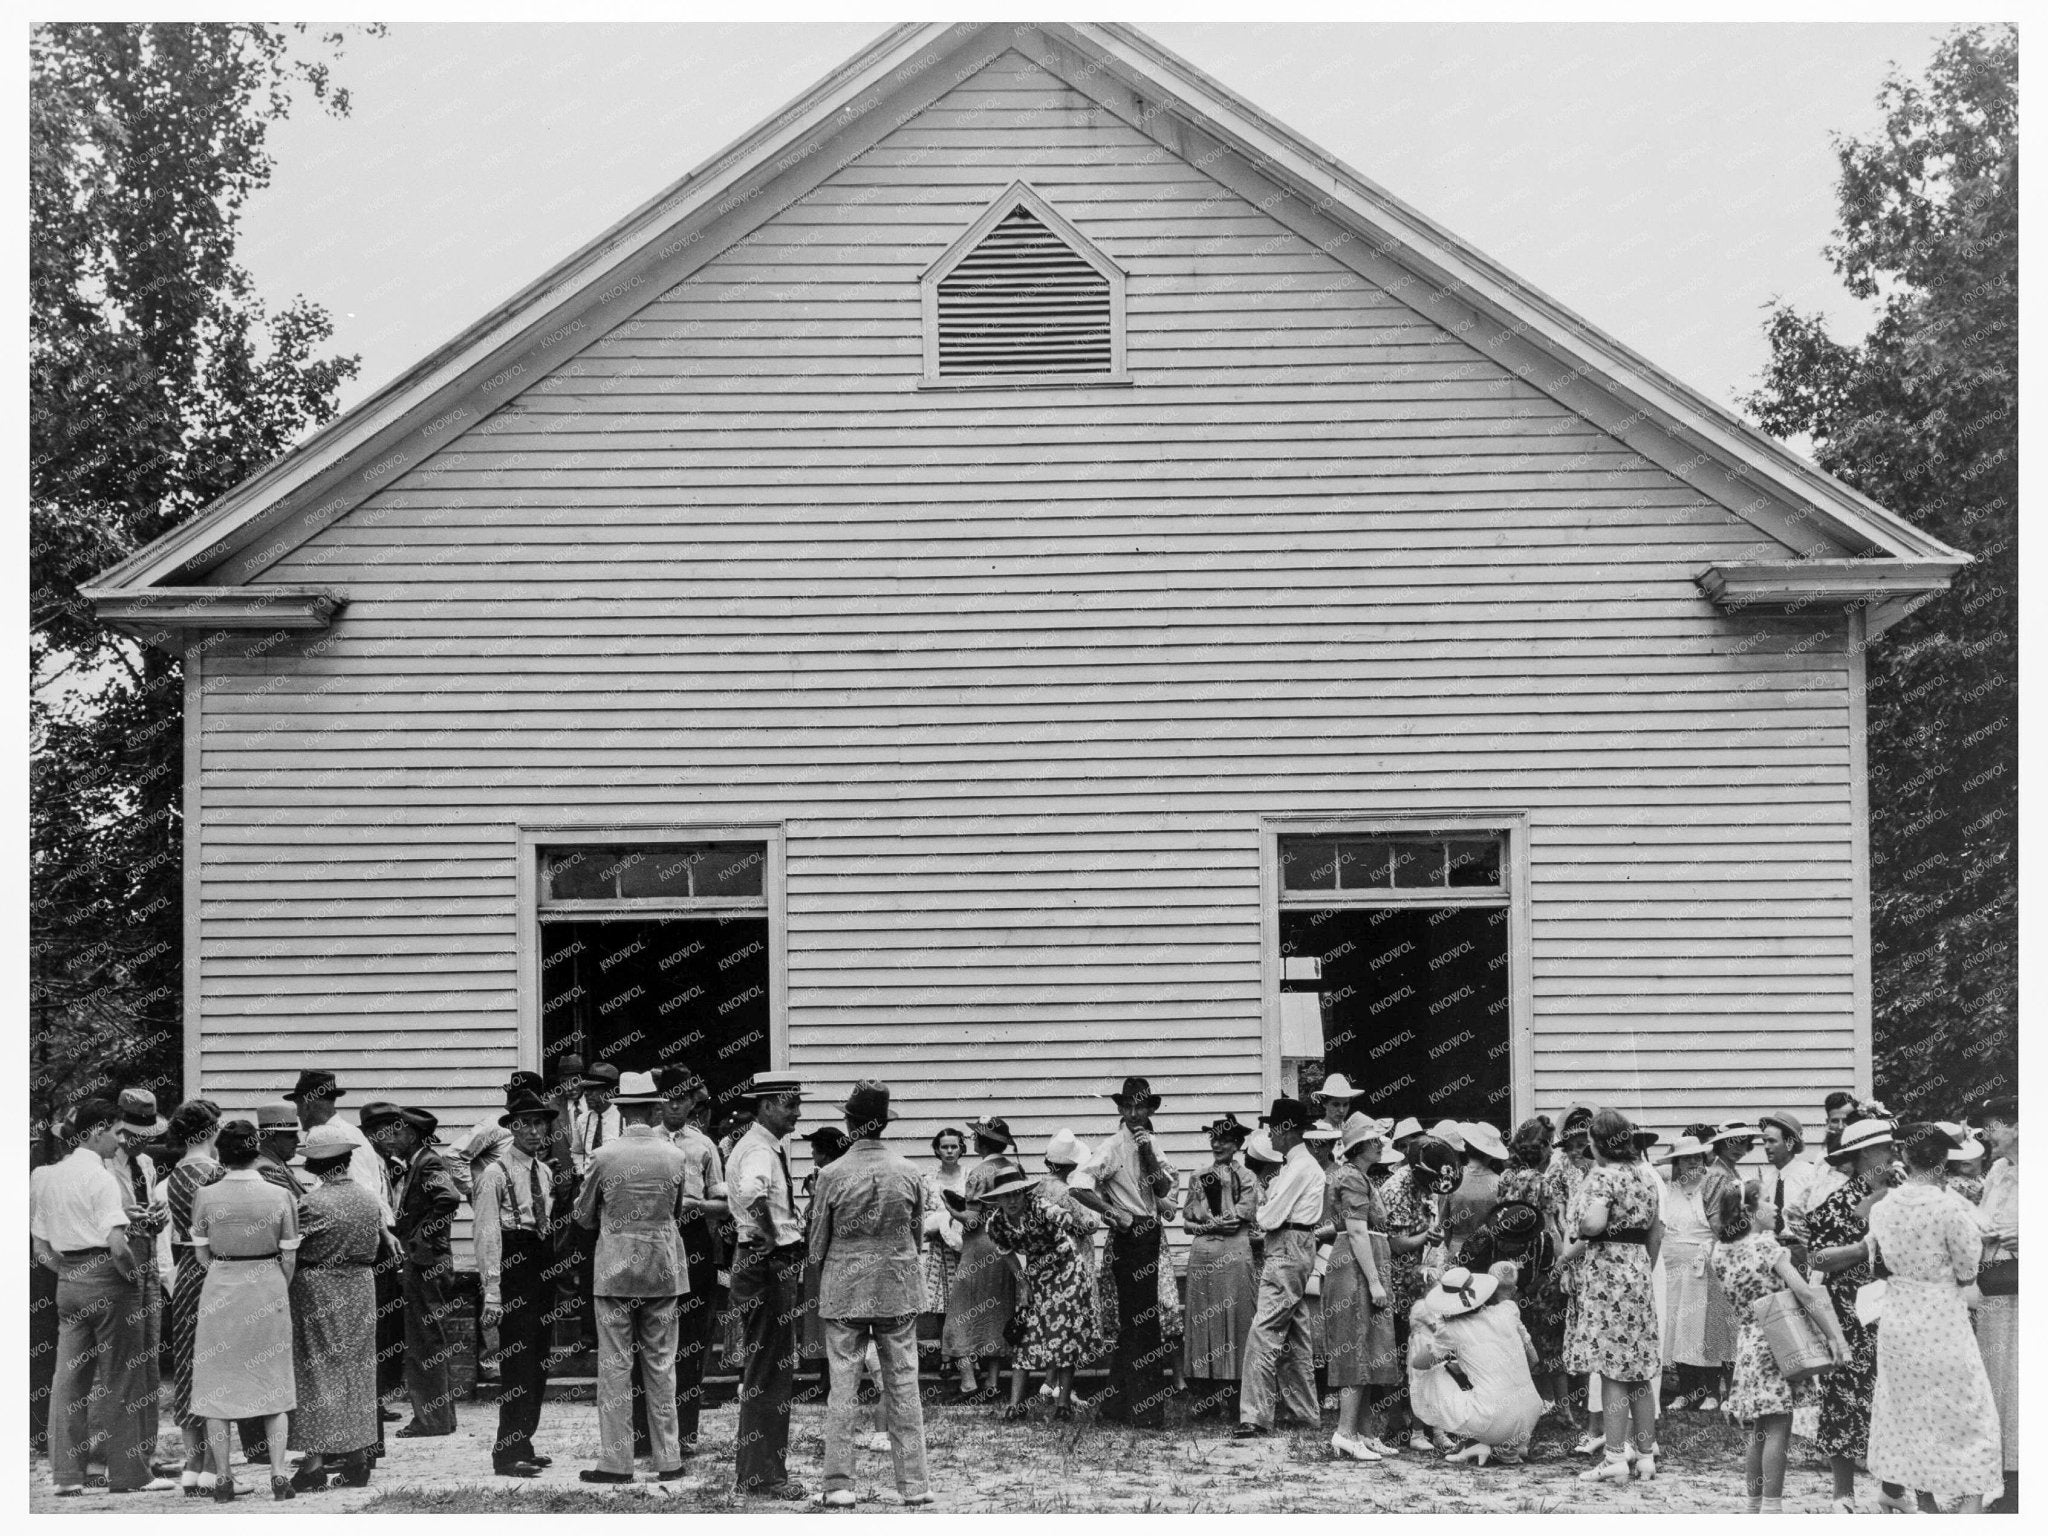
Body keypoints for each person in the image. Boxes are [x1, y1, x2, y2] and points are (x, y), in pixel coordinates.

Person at [33, 1099, 176, 1496]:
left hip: (68, 1281)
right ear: (96, 1132)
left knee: (68, 1380)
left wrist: (70, 1274)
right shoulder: (101, 1178)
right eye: (115, 1131)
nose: (120, 1139)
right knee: (123, 1378)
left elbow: (41, 1248)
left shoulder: (45, 1175)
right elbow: (116, 1244)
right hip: (110, 1280)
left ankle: (66, 1476)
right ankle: (129, 1474)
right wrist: (129, 1277)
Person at [1863, 1123, 2003, 1513]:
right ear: (1942, 1161)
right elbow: (1967, 1272)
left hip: (1898, 1317)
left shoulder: (1883, 1207)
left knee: (1906, 1407)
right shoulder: (1949, 1209)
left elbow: (1879, 1266)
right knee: (1964, 1406)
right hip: (1942, 1317)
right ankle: (1969, 1501)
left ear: (1904, 1157)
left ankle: (1916, 1496)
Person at [567, 1071, 694, 1486]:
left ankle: (616, 1463)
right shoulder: (675, 1156)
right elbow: (676, 1212)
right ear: (654, 1108)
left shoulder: (603, 1156)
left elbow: (582, 1217)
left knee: (615, 1366)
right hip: (662, 1267)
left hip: (616, 1269)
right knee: (661, 1364)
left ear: (622, 1109)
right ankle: (669, 1459)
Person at [809, 1082, 931, 1507]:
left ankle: (839, 1484)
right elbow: (916, 1237)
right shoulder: (910, 1172)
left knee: (842, 1388)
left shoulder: (831, 1174)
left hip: (846, 1289)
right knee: (903, 1384)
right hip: (896, 1287)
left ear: (850, 1123)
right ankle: (915, 1485)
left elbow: (816, 1244)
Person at [1709, 1179, 1846, 1514]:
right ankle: (1772, 1506)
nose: (1774, 1207)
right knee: (1778, 1426)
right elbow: (1806, 1292)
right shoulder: (1767, 1247)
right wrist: (1833, 1334)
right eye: (1767, 1201)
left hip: (1748, 1339)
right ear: (1749, 1210)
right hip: (1778, 1337)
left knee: (1759, 1426)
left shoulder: (1719, 1251)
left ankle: (1755, 1504)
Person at [189, 1118, 301, 1501]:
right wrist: (272, 1285)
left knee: (216, 1384)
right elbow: (290, 1256)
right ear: (256, 1152)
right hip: (268, 1284)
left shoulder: (205, 1195)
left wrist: (226, 1270)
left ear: (221, 1153)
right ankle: (278, 1473)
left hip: (221, 1285)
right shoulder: (279, 1195)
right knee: (274, 1381)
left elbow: (201, 1253)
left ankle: (222, 1477)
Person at [1805, 1114, 1905, 1512]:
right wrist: (1865, 1248)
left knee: (1897, 1395)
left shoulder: (1904, 1193)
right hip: (1850, 1309)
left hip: (1899, 1306)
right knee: (1843, 1396)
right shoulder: (1838, 1201)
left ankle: (1894, 1490)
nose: (1893, 1153)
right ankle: (1842, 1493)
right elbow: (1818, 1257)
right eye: (1885, 1147)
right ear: (1864, 1154)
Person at [1561, 1108, 1664, 1486]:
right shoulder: (1646, 1176)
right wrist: (1642, 1269)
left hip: (1607, 1273)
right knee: (1638, 1369)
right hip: (1637, 1271)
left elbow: (1593, 1224)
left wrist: (1584, 1228)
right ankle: (1646, 1454)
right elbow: (1655, 1233)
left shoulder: (1603, 1176)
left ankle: (1615, 1456)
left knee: (1612, 1369)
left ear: (1601, 1144)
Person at [1074, 1077, 1179, 1428]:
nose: (1135, 1114)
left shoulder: (1152, 1144)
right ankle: (1141, 1411)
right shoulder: (1111, 1146)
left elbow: (1164, 1188)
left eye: (1141, 1107)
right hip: (1129, 1233)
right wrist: (1110, 1212)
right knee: (1140, 1325)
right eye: (1128, 1107)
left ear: (1150, 1110)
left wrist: (1148, 1150)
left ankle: (1119, 1406)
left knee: (1143, 1324)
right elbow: (1078, 1184)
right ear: (1120, 1109)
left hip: (1149, 1233)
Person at [287, 1123, 385, 1491]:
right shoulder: (366, 1197)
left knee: (316, 1370)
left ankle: (313, 1463)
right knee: (357, 1370)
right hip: (360, 1284)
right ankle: (358, 1458)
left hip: (318, 1287)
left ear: (314, 1165)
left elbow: (290, 1244)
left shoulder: (312, 1204)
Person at [725, 1075, 809, 1500]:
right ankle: (762, 1475)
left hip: (764, 1262)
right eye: (791, 1104)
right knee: (770, 1371)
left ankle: (760, 1470)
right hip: (767, 1263)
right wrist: (773, 1233)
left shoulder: (763, 1145)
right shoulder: (759, 1148)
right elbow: (750, 1191)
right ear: (768, 1105)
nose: (797, 1113)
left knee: (770, 1367)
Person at [473, 1089, 561, 1478]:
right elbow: (487, 1235)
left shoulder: (543, 1171)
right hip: (513, 1265)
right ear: (512, 1128)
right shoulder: (495, 1174)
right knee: (517, 1361)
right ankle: (506, 1452)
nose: (533, 1130)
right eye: (524, 1123)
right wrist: (492, 1292)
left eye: (540, 1122)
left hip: (540, 1263)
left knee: (538, 1359)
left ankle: (524, 1439)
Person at [363, 1101, 461, 1437]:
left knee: (425, 1342)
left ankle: (430, 1420)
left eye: (398, 1130)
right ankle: (440, 1418)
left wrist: (418, 1239)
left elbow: (448, 1199)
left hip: (426, 1264)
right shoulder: (413, 1163)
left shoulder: (429, 1162)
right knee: (428, 1340)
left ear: (414, 1135)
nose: (392, 1135)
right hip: (425, 1263)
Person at [985, 1160, 1108, 1424]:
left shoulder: (1041, 1208)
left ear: (1024, 1193)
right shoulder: (996, 1223)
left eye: (1016, 1193)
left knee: (1063, 1335)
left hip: (1066, 1269)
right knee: (1027, 1336)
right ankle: (1016, 1405)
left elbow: (1070, 1220)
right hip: (1035, 1274)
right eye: (1006, 1196)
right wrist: (1024, 1283)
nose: (1012, 1200)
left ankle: (1062, 1403)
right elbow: (1006, 1252)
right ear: (998, 1199)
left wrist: (1062, 1216)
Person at [1234, 1096, 1323, 1439]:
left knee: (1265, 1330)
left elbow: (1268, 1217)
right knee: (1296, 1333)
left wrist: (1267, 1203)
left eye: (1272, 1128)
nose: (1269, 1135)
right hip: (1297, 1246)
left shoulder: (1299, 1167)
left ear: (1287, 1131)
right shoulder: (1299, 1165)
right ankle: (1304, 1411)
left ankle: (1255, 1416)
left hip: (1286, 1246)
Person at [654, 1069, 727, 1453]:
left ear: (692, 1102)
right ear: (658, 1100)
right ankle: (647, 1434)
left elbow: (725, 1204)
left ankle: (684, 1435)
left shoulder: (703, 1147)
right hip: (651, 1241)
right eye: (669, 1097)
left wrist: (698, 1207)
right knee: (649, 1340)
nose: (676, 1104)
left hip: (693, 1241)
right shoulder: (643, 1144)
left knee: (691, 1341)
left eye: (684, 1098)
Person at [1376, 1133, 1462, 1453]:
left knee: (1429, 1355)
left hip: (1422, 1281)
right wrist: (1426, 1236)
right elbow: (1394, 1243)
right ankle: (1402, 1426)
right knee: (1402, 1357)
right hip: (1398, 1283)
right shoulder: (1396, 1190)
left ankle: (1431, 1425)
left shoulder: (1428, 1189)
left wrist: (1433, 1239)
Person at [1408, 1265, 1543, 1464]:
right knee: (1478, 1377)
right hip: (1531, 1413)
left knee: (1426, 1374)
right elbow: (1534, 1360)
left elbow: (1418, 1363)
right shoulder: (1508, 1310)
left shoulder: (1450, 1330)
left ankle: (1475, 1442)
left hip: (1492, 1418)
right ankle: (1506, 1445)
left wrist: (1438, 1339)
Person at [1325, 1114, 1396, 1461]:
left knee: (1367, 1346)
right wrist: (1374, 1281)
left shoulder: (1359, 1176)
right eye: (1376, 1140)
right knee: (1355, 1345)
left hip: (1363, 1263)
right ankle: (1345, 1432)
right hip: (1355, 1269)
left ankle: (1364, 1433)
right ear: (1361, 1146)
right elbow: (1355, 1231)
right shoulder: (1352, 1178)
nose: (1381, 1144)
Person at [164, 1100, 226, 1494]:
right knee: (216, 1362)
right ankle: (215, 1468)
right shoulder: (214, 1172)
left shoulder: (173, 1174)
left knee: (187, 1361)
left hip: (185, 1268)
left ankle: (192, 1464)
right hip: (214, 1269)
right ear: (208, 1131)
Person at [1181, 1114, 1259, 1422]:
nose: (1218, 1144)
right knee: (1203, 1322)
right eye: (1214, 1139)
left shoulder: (1248, 1177)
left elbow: (1243, 1214)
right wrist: (1200, 1223)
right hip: (1203, 1254)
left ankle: (1236, 1396)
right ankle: (1205, 1397)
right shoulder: (1198, 1175)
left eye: (1225, 1140)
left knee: (1237, 1318)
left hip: (1235, 1252)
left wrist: (1222, 1218)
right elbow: (1187, 1218)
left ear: (1237, 1144)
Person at [109, 1088, 172, 1457]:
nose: (138, 1142)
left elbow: (152, 1207)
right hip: (119, 1258)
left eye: (145, 1136)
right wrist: (125, 1219)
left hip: (148, 1255)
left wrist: (159, 1217)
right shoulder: (104, 1165)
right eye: (133, 1135)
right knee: (121, 1354)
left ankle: (145, 1450)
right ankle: (115, 1451)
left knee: (148, 1354)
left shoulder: (146, 1164)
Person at [1653, 1133, 1734, 1411]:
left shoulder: (1710, 1187)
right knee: (1677, 1330)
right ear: (1675, 1162)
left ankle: (1712, 1392)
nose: (1692, 1164)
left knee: (1703, 1331)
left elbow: (1718, 1227)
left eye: (1697, 1158)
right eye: (1685, 1159)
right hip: (1671, 1266)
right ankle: (1685, 1391)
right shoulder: (1667, 1186)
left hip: (1702, 1267)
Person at [1971, 1095, 2017, 1510]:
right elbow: (1983, 1219)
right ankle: (2000, 1478)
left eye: (1995, 1125)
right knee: (1996, 1382)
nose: (1988, 1136)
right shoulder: (1999, 1171)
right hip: (1995, 1286)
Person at [920, 1127, 968, 1366]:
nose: (949, 1151)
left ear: (961, 1148)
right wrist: (938, 1222)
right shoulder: (929, 1180)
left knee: (965, 1302)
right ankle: (945, 1355)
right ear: (937, 1150)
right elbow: (922, 1212)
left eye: (954, 1146)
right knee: (942, 1305)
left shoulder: (969, 1177)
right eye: (944, 1147)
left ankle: (968, 1356)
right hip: (939, 1247)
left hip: (964, 1247)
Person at [1754, 1110, 1819, 1265]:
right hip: (1771, 1252)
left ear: (1789, 1143)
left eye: (1772, 1141)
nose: (1766, 1147)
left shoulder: (1809, 1175)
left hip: (1801, 1250)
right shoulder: (1766, 1177)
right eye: (1764, 1142)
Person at [1444, 1122, 1507, 1263]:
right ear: (1491, 1154)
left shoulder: (1451, 1180)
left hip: (1456, 1249)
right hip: (1488, 1252)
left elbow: (1445, 1226)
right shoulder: (1500, 1183)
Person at [569, 1062, 623, 1176]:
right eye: (586, 1089)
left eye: (593, 1089)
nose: (587, 1094)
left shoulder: (623, 1118)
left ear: (608, 1091)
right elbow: (576, 1151)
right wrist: (581, 1171)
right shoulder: (582, 1120)